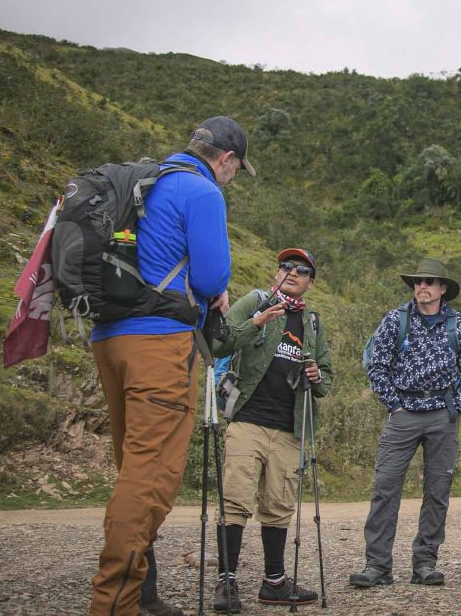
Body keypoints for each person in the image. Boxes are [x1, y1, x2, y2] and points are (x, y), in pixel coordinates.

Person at [88, 116, 253, 616]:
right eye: (236, 170)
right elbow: (209, 276)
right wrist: (217, 289)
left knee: (132, 466)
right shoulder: (202, 193)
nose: (232, 179)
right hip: (159, 344)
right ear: (225, 159)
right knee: (150, 476)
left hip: (110, 337)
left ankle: (140, 593)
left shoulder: (145, 181)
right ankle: (113, 604)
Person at [210, 248, 333, 612]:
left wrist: (317, 375)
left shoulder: (312, 322)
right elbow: (218, 341)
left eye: (301, 269)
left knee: (279, 505)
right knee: (235, 500)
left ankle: (274, 583)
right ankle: (227, 582)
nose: (291, 272)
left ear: (310, 282)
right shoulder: (255, 301)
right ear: (277, 272)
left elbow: (327, 376)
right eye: (286, 266)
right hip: (247, 419)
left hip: (290, 427)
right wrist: (257, 322)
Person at [350, 258, 461, 589]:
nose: (421, 286)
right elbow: (377, 366)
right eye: (417, 281)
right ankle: (378, 565)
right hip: (404, 413)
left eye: (428, 281)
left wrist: (458, 406)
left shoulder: (459, 324)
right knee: (385, 487)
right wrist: (393, 405)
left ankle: (425, 563)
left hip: (443, 413)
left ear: (442, 289)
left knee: (437, 491)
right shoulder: (396, 319)